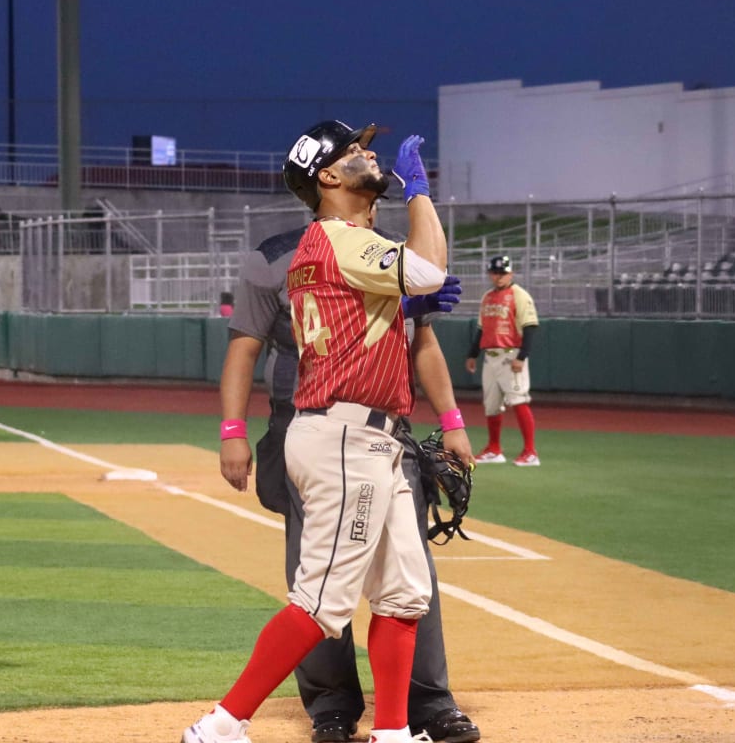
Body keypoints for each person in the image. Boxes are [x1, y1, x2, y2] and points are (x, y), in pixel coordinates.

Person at [184, 120, 462, 743]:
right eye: (354, 152)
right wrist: (418, 190)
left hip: (374, 438)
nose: (370, 154)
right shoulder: (336, 236)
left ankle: (393, 731)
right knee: (321, 603)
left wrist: (408, 302)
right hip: (344, 436)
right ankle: (221, 725)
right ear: (328, 177)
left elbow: (408, 286)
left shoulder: (342, 243)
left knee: (402, 595)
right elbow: (430, 272)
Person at [465, 255, 540, 467]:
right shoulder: (487, 296)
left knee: (518, 400)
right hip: (490, 356)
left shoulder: (519, 295)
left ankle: (530, 452)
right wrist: (473, 354)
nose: (498, 277)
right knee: (491, 405)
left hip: (511, 354)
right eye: (495, 273)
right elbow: (481, 329)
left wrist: (522, 357)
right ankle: (494, 449)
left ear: (511, 274)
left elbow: (530, 327)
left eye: (502, 273)